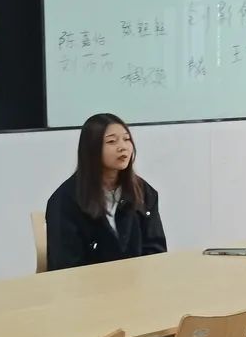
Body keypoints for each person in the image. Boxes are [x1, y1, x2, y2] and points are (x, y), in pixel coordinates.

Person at [46, 113, 166, 270]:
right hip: (87, 284)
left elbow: (156, 251)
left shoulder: (144, 192)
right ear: (92, 149)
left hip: (138, 281)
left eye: (126, 139)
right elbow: (66, 264)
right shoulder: (65, 200)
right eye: (111, 141)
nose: (123, 147)